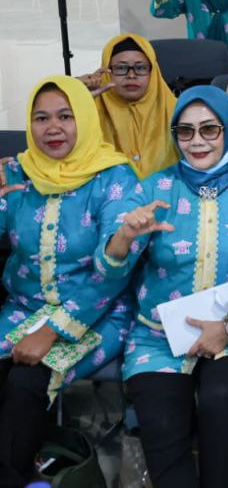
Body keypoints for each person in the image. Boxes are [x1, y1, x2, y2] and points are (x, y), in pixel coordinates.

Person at [97, 86, 228, 488]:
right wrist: (125, 236)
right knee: (160, 416)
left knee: (222, 401)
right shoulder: (154, 189)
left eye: (210, 129)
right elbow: (111, 270)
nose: (197, 141)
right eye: (186, 131)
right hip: (159, 335)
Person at [0, 77, 136, 487]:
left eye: (65, 116)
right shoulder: (18, 172)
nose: (52, 128)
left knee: (27, 382)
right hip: (23, 308)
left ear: (86, 120)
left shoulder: (114, 177)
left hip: (97, 313)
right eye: (41, 118)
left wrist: (53, 331)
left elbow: (112, 272)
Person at [78, 33, 178, 178]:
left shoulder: (177, 110)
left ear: (153, 71)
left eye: (141, 68)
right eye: (120, 68)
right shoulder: (88, 110)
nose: (131, 75)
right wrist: (78, 93)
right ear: (107, 72)